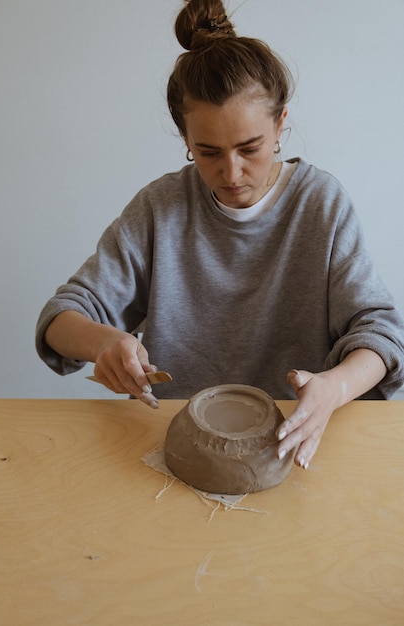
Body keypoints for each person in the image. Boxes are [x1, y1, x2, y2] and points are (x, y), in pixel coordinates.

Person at [36, 0, 404, 470]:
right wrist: (105, 344)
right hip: (176, 443)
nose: (231, 173)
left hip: (292, 443)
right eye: (208, 152)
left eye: (250, 148)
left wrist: (335, 387)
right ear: (185, 139)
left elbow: (381, 334)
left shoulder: (322, 204)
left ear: (280, 124)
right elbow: (61, 318)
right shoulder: (160, 207)